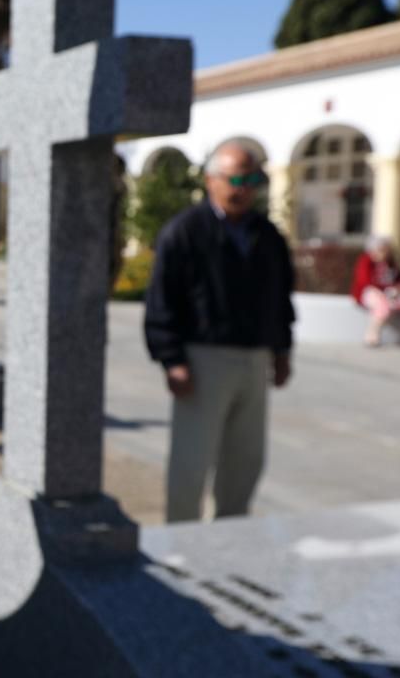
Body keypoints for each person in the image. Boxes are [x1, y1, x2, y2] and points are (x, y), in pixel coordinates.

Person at [144, 141, 295, 523]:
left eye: (251, 179)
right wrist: (171, 359)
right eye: (234, 178)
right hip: (203, 359)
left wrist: (281, 351)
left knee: (245, 459)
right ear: (211, 180)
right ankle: (181, 539)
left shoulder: (267, 235)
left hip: (253, 357)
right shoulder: (184, 231)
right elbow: (162, 299)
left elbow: (280, 296)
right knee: (192, 459)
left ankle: (231, 537)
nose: (242, 188)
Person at [350, 236, 400, 347]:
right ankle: (372, 335)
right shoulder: (366, 261)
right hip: (370, 293)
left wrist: (399, 288)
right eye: (381, 250)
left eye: (386, 250)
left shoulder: (390, 262)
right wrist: (386, 289)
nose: (385, 253)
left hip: (391, 294)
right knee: (382, 305)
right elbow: (365, 281)